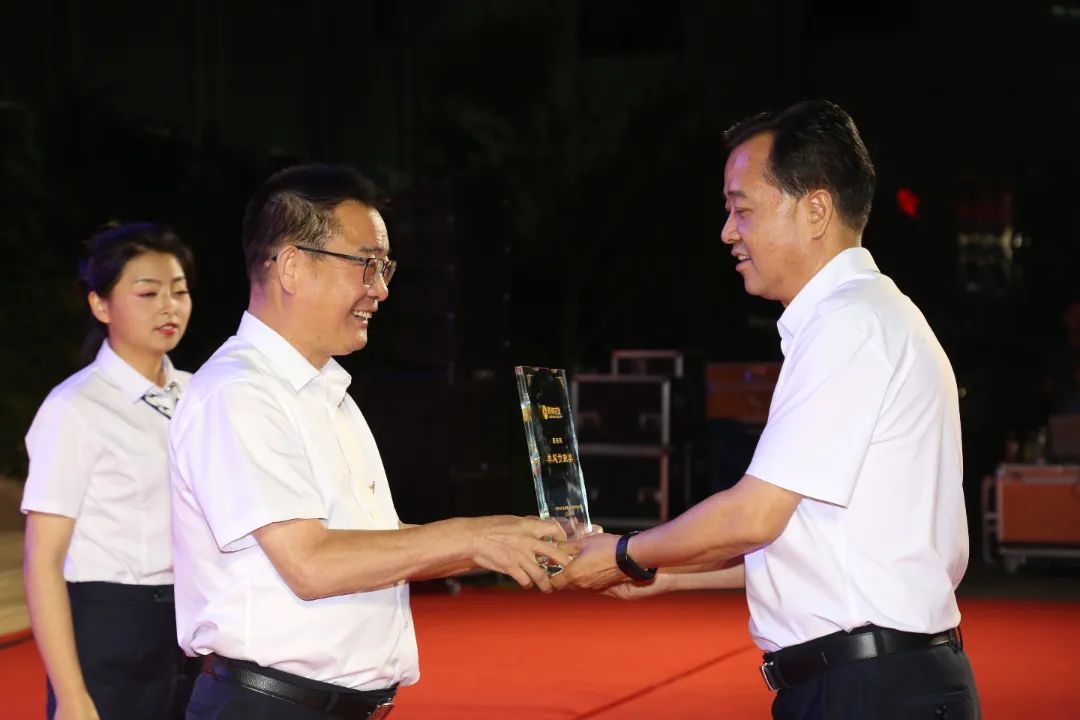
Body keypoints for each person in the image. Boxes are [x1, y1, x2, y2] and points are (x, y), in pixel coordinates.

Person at [556, 100, 981, 719]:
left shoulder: (849, 325)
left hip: (869, 689)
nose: (728, 232)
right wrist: (665, 574)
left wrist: (627, 552)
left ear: (815, 210)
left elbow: (754, 516)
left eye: (743, 208)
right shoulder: (868, 317)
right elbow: (810, 540)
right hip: (880, 679)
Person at [170, 163, 571, 720]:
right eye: (366, 264)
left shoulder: (325, 390)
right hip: (267, 706)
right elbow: (310, 563)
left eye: (385, 267)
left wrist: (506, 539)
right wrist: (471, 538)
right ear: (292, 266)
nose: (380, 289)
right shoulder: (239, 392)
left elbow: (376, 544)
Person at [22, 223, 196, 720]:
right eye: (148, 293)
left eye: (179, 291)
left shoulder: (199, 394)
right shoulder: (75, 408)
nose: (169, 307)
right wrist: (72, 695)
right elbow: (42, 562)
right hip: (111, 635)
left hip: (194, 630)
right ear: (100, 305)